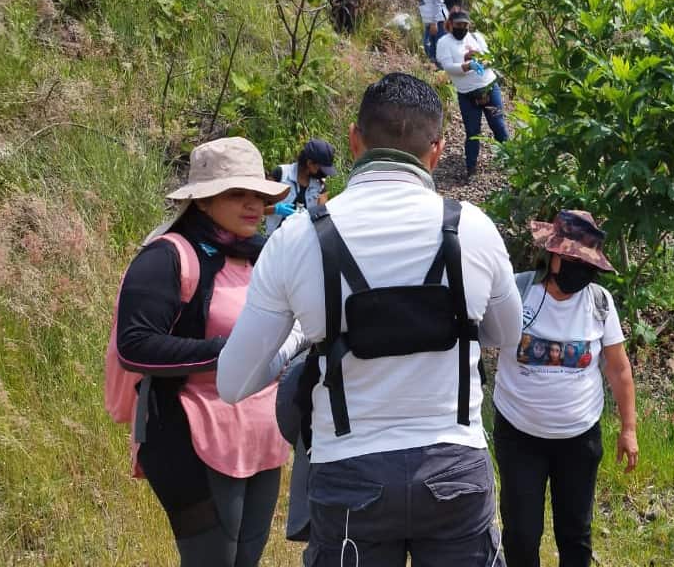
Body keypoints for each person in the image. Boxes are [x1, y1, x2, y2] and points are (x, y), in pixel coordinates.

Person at [218, 72, 522, 567]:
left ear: (354, 140)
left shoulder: (298, 239)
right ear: (439, 149)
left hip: (349, 476)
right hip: (453, 468)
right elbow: (507, 335)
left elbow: (234, 383)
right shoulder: (473, 229)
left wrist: (301, 335)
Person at [114, 136, 304, 566]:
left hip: (261, 433)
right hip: (191, 432)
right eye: (236, 193)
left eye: (258, 193)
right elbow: (136, 344)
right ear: (201, 201)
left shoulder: (262, 257)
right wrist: (230, 352)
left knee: (246, 559)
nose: (252, 203)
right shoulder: (167, 257)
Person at [491, 210, 638, 567]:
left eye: (587, 265)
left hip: (578, 439)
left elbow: (618, 369)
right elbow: (479, 339)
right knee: (521, 533)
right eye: (573, 261)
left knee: (575, 533)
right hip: (519, 436)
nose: (580, 271)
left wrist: (628, 428)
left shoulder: (599, 302)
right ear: (553, 255)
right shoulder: (516, 292)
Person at [436, 8, 509, 180]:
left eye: (465, 25)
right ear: (450, 25)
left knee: (498, 125)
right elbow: (448, 67)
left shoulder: (476, 38)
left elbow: (490, 59)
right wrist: (466, 64)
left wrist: (479, 58)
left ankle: (512, 162)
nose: (462, 28)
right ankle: (471, 168)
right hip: (467, 93)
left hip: (489, 87)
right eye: (458, 24)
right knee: (472, 131)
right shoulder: (444, 43)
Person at [265, 138, 336, 234]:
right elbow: (259, 209)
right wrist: (276, 209)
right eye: (321, 168)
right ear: (310, 163)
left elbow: (322, 219)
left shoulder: (320, 186)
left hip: (301, 242)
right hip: (274, 240)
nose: (324, 173)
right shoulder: (281, 174)